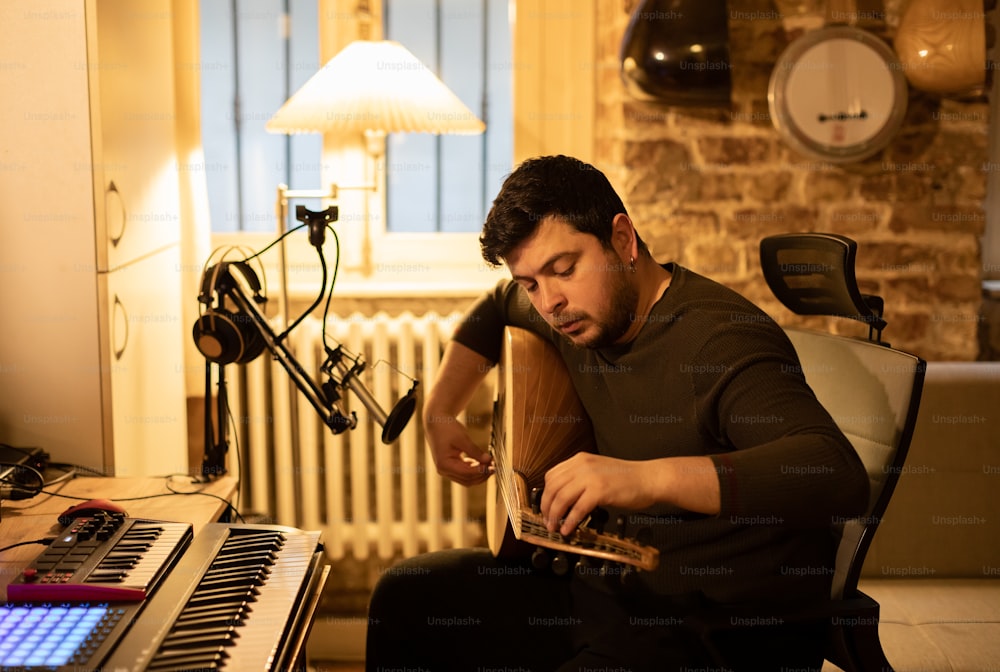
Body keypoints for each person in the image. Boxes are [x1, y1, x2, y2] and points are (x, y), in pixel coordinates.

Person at [365, 155, 870, 671]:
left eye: (564, 270)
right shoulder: (572, 312)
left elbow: (834, 473)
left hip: (709, 628)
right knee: (406, 598)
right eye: (532, 283)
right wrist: (440, 410)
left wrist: (649, 479)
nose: (549, 303)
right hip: (601, 594)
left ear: (623, 241)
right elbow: (496, 306)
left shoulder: (721, 339)